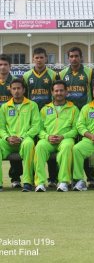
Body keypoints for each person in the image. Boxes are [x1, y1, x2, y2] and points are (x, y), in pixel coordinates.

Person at [59, 46, 94, 187]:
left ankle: (91, 178)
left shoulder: (90, 72)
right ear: (68, 58)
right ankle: (69, 179)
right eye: (71, 56)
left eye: (76, 56)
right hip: (68, 115)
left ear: (81, 58)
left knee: (86, 148)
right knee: (70, 149)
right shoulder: (62, 74)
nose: (74, 59)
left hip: (87, 116)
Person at [34, 80, 79, 192]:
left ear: (66, 92)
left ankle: (63, 182)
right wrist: (47, 136)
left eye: (61, 90)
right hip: (48, 140)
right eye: (56, 91)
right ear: (52, 93)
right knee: (39, 146)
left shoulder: (73, 109)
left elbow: (76, 129)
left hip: (65, 139)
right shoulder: (45, 109)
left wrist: (63, 136)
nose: (59, 93)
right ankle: (40, 183)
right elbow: (39, 129)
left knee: (67, 147)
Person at [23, 47, 58, 187]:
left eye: (41, 57)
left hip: (48, 116)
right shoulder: (26, 76)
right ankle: (31, 179)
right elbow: (24, 97)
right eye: (36, 57)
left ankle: (53, 178)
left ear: (46, 59)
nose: (39, 60)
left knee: (49, 145)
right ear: (33, 59)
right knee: (32, 149)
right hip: (31, 116)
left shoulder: (53, 75)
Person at [0, 78, 40, 192]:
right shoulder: (4, 107)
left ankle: (27, 182)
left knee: (29, 144)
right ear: (10, 90)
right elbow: (1, 127)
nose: (16, 91)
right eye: (14, 89)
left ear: (23, 90)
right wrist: (7, 137)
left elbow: (36, 126)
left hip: (24, 139)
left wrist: (22, 137)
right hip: (8, 141)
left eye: (19, 88)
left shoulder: (32, 105)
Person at [0, 54, 23, 188]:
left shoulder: (15, 81)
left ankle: (16, 178)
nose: (2, 67)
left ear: (10, 66)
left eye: (5, 65)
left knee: (15, 147)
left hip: (12, 120)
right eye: (0, 65)